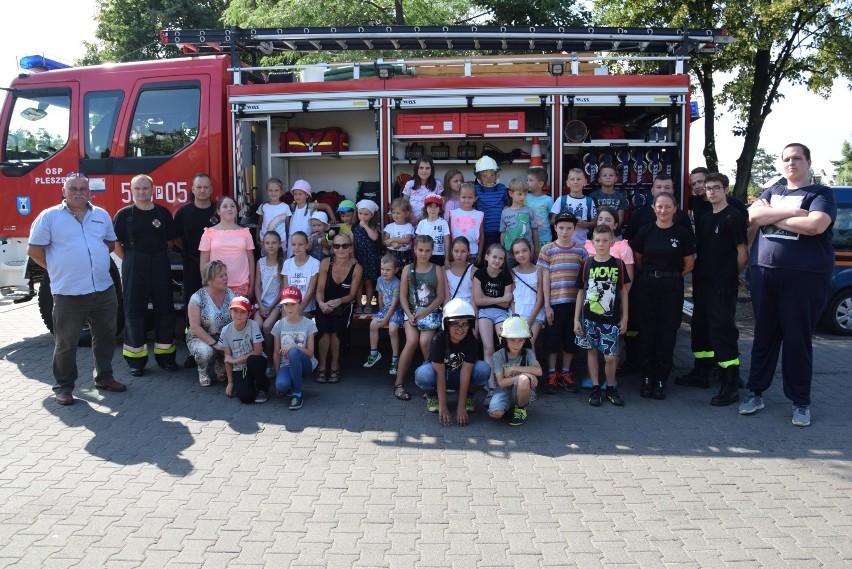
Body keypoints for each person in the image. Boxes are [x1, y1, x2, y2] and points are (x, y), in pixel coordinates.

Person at [740, 143, 836, 427]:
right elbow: (752, 217)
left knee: (796, 339)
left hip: (804, 277)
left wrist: (774, 215)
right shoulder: (773, 192)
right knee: (764, 337)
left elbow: (816, 226)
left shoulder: (821, 193)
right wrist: (794, 215)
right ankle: (755, 393)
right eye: (786, 159)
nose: (791, 163)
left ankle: (800, 402)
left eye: (797, 158)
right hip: (764, 275)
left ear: (808, 161)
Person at [27, 173, 126, 404]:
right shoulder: (49, 217)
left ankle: (104, 377)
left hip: (103, 289)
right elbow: (34, 249)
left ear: (90, 192)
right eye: (73, 188)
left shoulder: (100, 215)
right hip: (68, 292)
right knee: (66, 343)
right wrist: (55, 268)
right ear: (64, 191)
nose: (79, 192)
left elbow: (110, 244)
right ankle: (63, 386)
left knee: (105, 337)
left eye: (83, 188)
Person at [676, 173, 748, 406]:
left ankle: (730, 384)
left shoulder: (733, 216)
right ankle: (701, 373)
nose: (711, 192)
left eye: (716, 188)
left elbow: (742, 254)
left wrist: (730, 275)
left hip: (722, 285)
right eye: (708, 188)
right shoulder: (706, 219)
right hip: (702, 283)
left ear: (725, 189)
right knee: (701, 328)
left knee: (722, 331)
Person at [631, 192, 695, 400]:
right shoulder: (645, 231)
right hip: (647, 286)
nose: (663, 210)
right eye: (660, 206)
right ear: (653, 208)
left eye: (668, 206)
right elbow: (638, 259)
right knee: (647, 331)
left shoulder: (683, 233)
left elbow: (689, 264)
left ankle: (661, 378)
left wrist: (672, 277)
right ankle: (647, 377)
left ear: (675, 209)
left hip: (672, 287)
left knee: (667, 333)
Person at [112, 174, 178, 376]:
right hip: (134, 262)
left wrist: (154, 257)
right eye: (137, 189)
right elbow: (115, 244)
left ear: (152, 190)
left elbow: (170, 242)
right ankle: (136, 361)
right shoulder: (124, 215)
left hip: (159, 262)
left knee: (165, 309)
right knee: (133, 310)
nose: (142, 192)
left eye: (145, 188)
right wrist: (131, 259)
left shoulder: (162, 213)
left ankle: (165, 357)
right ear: (131, 191)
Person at [574, 224, 630, 407]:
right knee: (591, 352)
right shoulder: (587, 264)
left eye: (605, 240)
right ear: (592, 242)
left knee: (610, 356)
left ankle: (611, 387)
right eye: (597, 240)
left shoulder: (618, 264)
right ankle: (596, 387)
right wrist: (576, 319)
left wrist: (625, 318)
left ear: (612, 242)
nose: (601, 244)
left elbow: (623, 292)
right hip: (590, 318)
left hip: (611, 319)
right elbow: (581, 292)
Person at [414, 298, 491, 425]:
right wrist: (443, 406)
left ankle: (468, 397)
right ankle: (431, 397)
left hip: (459, 375)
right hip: (441, 376)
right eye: (455, 324)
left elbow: (466, 373)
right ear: (447, 324)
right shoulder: (438, 340)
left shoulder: (471, 341)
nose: (460, 329)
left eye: (464, 324)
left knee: (483, 369)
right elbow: (439, 375)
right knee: (424, 374)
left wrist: (460, 407)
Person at [537, 212, 587, 394]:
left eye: (569, 228)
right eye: (561, 228)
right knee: (552, 339)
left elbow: (584, 282)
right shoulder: (547, 250)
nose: (565, 231)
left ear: (574, 229)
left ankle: (565, 372)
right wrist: (547, 306)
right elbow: (544, 280)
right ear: (555, 228)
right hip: (555, 303)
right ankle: (551, 374)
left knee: (570, 339)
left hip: (574, 304)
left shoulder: (581, 251)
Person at [395, 235, 447, 401]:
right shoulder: (407, 269)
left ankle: (430, 384)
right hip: (411, 313)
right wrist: (409, 314)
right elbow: (403, 295)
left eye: (427, 250)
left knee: (425, 342)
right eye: (420, 250)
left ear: (432, 252)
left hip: (430, 313)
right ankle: (399, 383)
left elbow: (440, 296)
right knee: (411, 342)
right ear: (415, 250)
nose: (423, 254)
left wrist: (425, 312)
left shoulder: (437, 269)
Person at [174, 173, 219, 358]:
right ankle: (194, 352)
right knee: (193, 309)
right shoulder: (184, 213)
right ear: (192, 189)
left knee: (216, 309)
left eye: (206, 187)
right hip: (192, 267)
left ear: (211, 190)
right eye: (198, 187)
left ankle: (215, 350)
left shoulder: (218, 212)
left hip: (216, 270)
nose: (202, 190)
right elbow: (176, 238)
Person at [314, 233, 363, 384]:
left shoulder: (356, 267)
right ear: (332, 248)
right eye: (336, 246)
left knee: (335, 331)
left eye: (344, 245)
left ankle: (335, 366)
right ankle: (322, 366)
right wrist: (321, 303)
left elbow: (352, 295)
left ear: (350, 248)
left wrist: (337, 302)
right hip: (324, 303)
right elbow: (319, 289)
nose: (340, 249)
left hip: (343, 304)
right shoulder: (325, 263)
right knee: (323, 331)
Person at [186, 261, 237, 387]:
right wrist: (215, 344)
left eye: (226, 275)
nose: (226, 278)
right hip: (201, 338)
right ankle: (202, 371)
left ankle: (220, 364)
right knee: (205, 352)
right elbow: (195, 327)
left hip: (225, 338)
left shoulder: (232, 295)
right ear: (209, 279)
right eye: (221, 276)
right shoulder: (197, 297)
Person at [473, 243, 514, 396]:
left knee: (504, 346)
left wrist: (488, 298)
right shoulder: (479, 274)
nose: (497, 260)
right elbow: (478, 300)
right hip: (484, 313)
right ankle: (490, 385)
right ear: (487, 257)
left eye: (501, 258)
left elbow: (506, 302)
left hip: (501, 314)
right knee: (488, 348)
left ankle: (504, 381)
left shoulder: (506, 275)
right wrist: (499, 298)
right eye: (494, 257)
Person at [488, 315, 542, 427]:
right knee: (495, 414)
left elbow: (539, 371)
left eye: (520, 340)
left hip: (522, 388)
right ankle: (509, 406)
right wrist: (527, 374)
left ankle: (520, 408)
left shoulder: (528, 352)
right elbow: (501, 383)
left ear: (525, 341)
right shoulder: (498, 355)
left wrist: (514, 368)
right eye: (512, 340)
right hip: (503, 391)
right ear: (505, 339)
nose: (516, 344)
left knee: (523, 380)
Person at [273, 286, 319, 411]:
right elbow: (276, 354)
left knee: (293, 352)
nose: (289, 308)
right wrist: (278, 375)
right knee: (281, 385)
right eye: (286, 304)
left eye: (293, 304)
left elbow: (310, 352)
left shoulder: (308, 324)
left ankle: (297, 394)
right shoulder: (279, 324)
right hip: (286, 365)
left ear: (299, 304)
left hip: (305, 364)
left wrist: (294, 346)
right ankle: (290, 383)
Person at [199, 196, 255, 296]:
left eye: (232, 206)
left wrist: (252, 286)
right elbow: (204, 262)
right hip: (216, 285)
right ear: (218, 211)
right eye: (225, 206)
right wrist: (207, 284)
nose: (229, 209)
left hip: (241, 285)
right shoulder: (208, 233)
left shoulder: (245, 233)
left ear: (237, 210)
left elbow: (251, 260)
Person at [218, 296, 267, 403]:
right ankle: (249, 384)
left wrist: (235, 360)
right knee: (247, 397)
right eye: (235, 311)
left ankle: (263, 388)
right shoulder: (225, 331)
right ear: (230, 311)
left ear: (249, 314)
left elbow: (258, 352)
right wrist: (230, 383)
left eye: (242, 312)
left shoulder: (253, 325)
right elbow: (227, 358)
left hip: (254, 362)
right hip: (240, 368)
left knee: (253, 360)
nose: (238, 315)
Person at [364, 255, 404, 374]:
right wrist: (381, 313)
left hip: (397, 309)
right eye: (382, 269)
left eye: (388, 269)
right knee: (373, 325)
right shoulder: (380, 280)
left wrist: (386, 319)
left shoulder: (397, 283)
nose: (384, 272)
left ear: (396, 270)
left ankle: (395, 359)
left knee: (392, 329)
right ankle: (374, 353)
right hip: (386, 309)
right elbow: (380, 296)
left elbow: (394, 304)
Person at [623, 174, 693, 241]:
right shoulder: (638, 215)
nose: (663, 190)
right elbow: (628, 241)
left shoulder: (682, 216)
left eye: (667, 187)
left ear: (672, 191)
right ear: (652, 191)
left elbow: (689, 244)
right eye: (659, 187)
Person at [253, 230, 285, 374]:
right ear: (263, 245)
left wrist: (271, 307)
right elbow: (257, 286)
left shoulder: (284, 263)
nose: (270, 245)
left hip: (276, 304)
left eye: (273, 242)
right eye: (267, 243)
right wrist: (260, 305)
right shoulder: (260, 262)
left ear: (279, 244)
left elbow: (282, 289)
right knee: (256, 325)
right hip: (261, 303)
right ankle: (258, 356)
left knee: (266, 327)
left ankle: (271, 359)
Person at [510, 238, 545, 347]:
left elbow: (540, 297)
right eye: (517, 252)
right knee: (516, 345)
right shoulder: (513, 272)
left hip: (535, 313)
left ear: (531, 251)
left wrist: (530, 320)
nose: (521, 254)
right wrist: (515, 316)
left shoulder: (538, 270)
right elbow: (511, 297)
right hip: (517, 312)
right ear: (513, 255)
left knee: (530, 342)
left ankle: (533, 364)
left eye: (524, 250)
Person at [287, 179, 335, 257]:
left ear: (307, 195)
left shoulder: (311, 206)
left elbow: (326, 206)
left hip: (306, 239)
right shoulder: (292, 206)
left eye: (300, 194)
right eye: (295, 194)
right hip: (292, 240)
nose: (297, 196)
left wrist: (333, 218)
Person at [551, 168, 596, 247]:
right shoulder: (561, 200)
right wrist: (565, 220)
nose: (575, 182)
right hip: (562, 245)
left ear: (585, 182)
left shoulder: (589, 201)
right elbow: (552, 221)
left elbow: (595, 223)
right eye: (572, 179)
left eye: (578, 179)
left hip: (583, 244)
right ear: (568, 183)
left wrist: (585, 224)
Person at [352, 199, 382, 314]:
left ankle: (369, 303)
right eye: (360, 214)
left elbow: (374, 237)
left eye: (366, 214)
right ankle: (359, 304)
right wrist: (352, 256)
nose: (363, 217)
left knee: (368, 282)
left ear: (372, 215)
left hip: (370, 258)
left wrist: (365, 226)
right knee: (358, 282)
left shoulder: (373, 226)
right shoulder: (355, 227)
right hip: (359, 258)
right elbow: (352, 242)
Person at [500, 178, 538, 268]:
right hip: (510, 252)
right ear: (511, 193)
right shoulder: (505, 212)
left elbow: (534, 231)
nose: (523, 197)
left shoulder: (530, 211)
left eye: (525, 194)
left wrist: (536, 249)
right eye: (519, 194)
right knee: (512, 273)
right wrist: (502, 250)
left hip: (527, 251)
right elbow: (503, 232)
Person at [474, 156, 509, 251]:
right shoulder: (475, 189)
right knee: (486, 256)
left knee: (499, 254)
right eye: (485, 176)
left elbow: (508, 205)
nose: (489, 178)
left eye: (492, 175)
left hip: (500, 230)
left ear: (496, 174)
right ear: (478, 176)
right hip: (483, 231)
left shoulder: (502, 188)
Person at [281, 231, 321, 316]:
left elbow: (310, 291)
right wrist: (290, 308)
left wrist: (299, 309)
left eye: (300, 244)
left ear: (307, 245)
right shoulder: (287, 263)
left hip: (306, 309)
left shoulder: (314, 263)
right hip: (289, 307)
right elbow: (286, 289)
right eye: (294, 244)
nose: (296, 247)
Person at [449, 182, 485, 265]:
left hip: (473, 251)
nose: (466, 200)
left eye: (470, 197)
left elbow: (481, 236)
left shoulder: (479, 214)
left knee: (470, 273)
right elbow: (450, 235)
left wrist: (479, 254)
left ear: (475, 198)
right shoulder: (453, 214)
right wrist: (450, 252)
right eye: (464, 197)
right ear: (459, 197)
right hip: (457, 251)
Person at [402, 155, 443, 221]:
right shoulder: (410, 184)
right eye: (421, 168)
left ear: (431, 170)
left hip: (430, 221)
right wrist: (410, 217)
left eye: (427, 168)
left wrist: (422, 218)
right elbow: (404, 203)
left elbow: (440, 204)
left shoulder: (437, 184)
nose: (424, 171)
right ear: (416, 169)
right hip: (412, 221)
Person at [416, 194, 451, 266]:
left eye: (436, 206)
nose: (433, 209)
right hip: (424, 255)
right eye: (430, 206)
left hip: (439, 255)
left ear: (440, 209)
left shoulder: (443, 223)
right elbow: (418, 241)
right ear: (426, 208)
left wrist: (447, 258)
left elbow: (447, 241)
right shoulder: (422, 223)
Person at [256, 177, 291, 250]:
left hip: (281, 241)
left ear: (281, 192)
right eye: (270, 190)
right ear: (267, 192)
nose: (273, 193)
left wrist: (288, 240)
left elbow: (287, 226)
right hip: (266, 241)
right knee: (267, 260)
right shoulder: (263, 207)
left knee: (280, 260)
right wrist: (257, 239)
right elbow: (259, 224)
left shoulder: (285, 207)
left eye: (276, 190)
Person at [525, 168, 554, 252]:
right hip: (528, 237)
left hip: (544, 238)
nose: (527, 182)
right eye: (527, 180)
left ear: (540, 184)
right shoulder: (525, 197)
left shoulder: (548, 200)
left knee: (544, 261)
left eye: (530, 180)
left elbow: (552, 218)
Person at [384, 197, 415, 271]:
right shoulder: (389, 226)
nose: (395, 215)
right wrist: (393, 244)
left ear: (406, 213)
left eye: (398, 213)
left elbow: (407, 240)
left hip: (405, 255)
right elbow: (385, 241)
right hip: (391, 254)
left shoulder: (409, 226)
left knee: (405, 274)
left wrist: (392, 239)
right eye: (393, 213)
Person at [445, 237, 475, 310]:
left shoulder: (473, 270)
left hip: (468, 308)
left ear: (468, 252)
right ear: (451, 251)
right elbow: (446, 297)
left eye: (463, 251)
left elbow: (474, 298)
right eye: (456, 251)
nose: (459, 255)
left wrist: (475, 317)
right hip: (452, 308)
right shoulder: (445, 269)